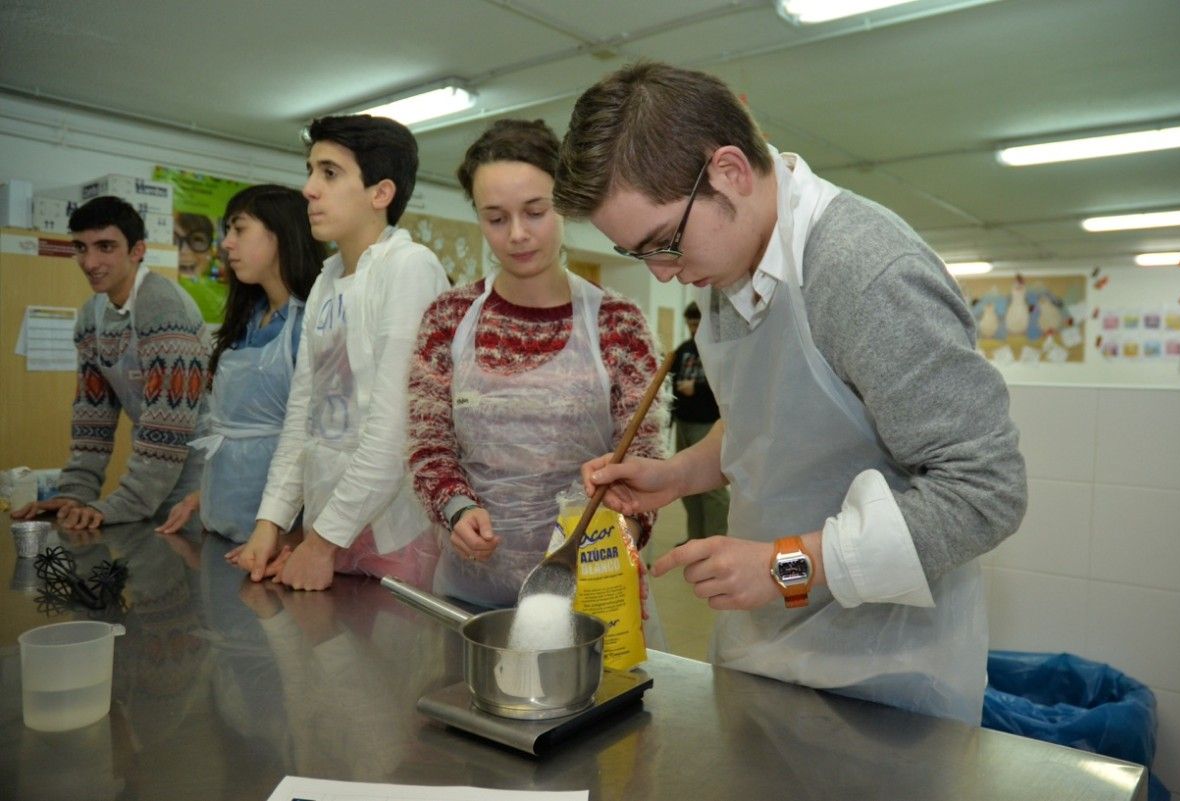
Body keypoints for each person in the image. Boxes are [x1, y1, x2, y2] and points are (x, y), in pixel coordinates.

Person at [556, 62, 1027, 724]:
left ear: (730, 173)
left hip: (882, 678)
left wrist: (785, 568)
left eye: (664, 243)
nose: (665, 274)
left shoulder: (865, 273)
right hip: (765, 648)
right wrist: (679, 473)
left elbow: (988, 489)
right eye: (641, 255)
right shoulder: (725, 263)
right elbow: (773, 419)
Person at [408, 118, 666, 608]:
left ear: (564, 205)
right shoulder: (448, 319)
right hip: (472, 597)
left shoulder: (618, 324)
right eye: (496, 218)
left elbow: (642, 458)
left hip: (592, 593)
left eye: (535, 211)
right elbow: (429, 445)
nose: (518, 235)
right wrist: (456, 509)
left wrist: (625, 529)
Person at [230, 114, 449, 591]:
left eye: (329, 173)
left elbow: (396, 432)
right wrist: (270, 522)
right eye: (310, 170)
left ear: (380, 193)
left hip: (395, 536)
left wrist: (322, 542)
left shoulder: (408, 267)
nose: (309, 189)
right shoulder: (328, 280)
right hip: (329, 527)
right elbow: (302, 418)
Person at [14, 196, 210, 529]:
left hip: (200, 477)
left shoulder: (164, 307)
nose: (90, 262)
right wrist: (75, 493)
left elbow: (169, 428)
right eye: (80, 248)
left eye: (105, 247)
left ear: (137, 251)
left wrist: (119, 505)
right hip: (151, 475)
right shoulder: (92, 315)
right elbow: (92, 420)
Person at [156, 185, 325, 542]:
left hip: (280, 537)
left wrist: (294, 541)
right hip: (221, 521)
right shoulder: (250, 318)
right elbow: (236, 434)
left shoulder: (310, 324)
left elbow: (314, 444)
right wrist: (205, 494)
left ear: (280, 234)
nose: (227, 243)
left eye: (239, 229)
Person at [669, 301, 729, 544]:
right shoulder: (683, 350)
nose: (693, 327)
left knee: (711, 489)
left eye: (697, 322)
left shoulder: (717, 349)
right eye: (690, 323)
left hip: (708, 424)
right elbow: (670, 382)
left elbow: (725, 386)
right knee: (687, 486)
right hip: (683, 422)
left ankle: (715, 540)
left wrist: (697, 387)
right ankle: (695, 538)